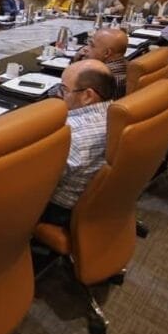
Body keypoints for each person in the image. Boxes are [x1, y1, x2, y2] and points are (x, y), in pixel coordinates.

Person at [39, 60, 115, 227]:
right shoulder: (114, 112)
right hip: (101, 203)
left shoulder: (72, 137)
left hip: (58, 210)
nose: (59, 95)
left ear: (88, 96)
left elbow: (35, 184)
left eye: (63, 89)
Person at [73, 28, 128, 99]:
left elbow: (68, 94)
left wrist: (75, 65)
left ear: (107, 53)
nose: (85, 48)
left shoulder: (100, 79)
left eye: (92, 45)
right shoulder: (126, 65)